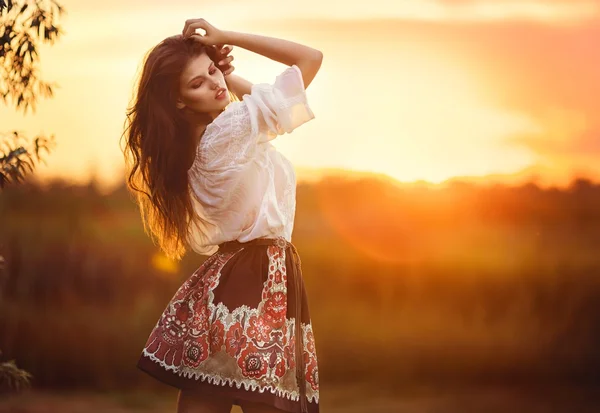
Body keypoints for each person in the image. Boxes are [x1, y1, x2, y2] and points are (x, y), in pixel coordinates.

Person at [121, 18, 323, 413]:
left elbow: (271, 108)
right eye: (197, 83)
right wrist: (228, 39)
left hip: (231, 280)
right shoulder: (229, 131)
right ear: (179, 101)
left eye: (212, 70)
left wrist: (224, 77)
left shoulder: (197, 147)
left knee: (205, 397)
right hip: (258, 280)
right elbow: (309, 59)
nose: (214, 83)